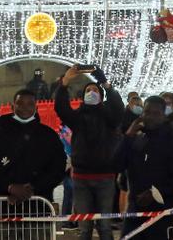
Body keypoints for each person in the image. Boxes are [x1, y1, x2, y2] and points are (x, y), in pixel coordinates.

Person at [0, 89, 66, 240]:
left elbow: (58, 169)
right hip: (3, 211)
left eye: (30, 104)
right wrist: (9, 187)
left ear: (36, 107)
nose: (25, 107)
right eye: (20, 103)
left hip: (38, 211)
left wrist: (32, 188)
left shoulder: (48, 136)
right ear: (13, 106)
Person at [54, 66, 124, 240]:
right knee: (84, 228)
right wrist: (65, 82)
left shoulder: (109, 117)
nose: (91, 92)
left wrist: (105, 83)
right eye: (88, 90)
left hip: (105, 178)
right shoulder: (77, 117)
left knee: (105, 227)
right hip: (81, 179)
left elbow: (118, 109)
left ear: (100, 96)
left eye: (94, 90)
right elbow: (61, 108)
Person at [119, 96, 173, 240]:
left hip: (162, 213)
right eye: (147, 112)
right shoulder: (137, 139)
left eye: (156, 113)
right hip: (135, 212)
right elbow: (116, 165)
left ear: (164, 115)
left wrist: (155, 193)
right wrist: (128, 137)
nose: (150, 117)